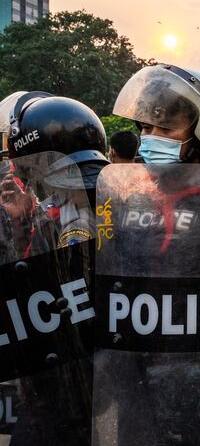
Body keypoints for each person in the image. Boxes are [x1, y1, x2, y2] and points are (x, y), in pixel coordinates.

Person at [93, 63, 200, 445]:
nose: (149, 138)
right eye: (145, 128)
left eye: (165, 129)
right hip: (140, 385)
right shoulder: (130, 199)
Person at [0, 93, 106, 446]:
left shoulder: (83, 214)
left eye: (26, 167)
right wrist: (21, 224)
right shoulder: (59, 211)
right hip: (62, 374)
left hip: (74, 382)